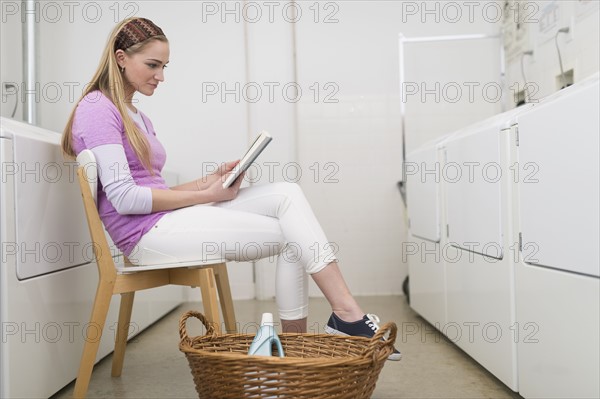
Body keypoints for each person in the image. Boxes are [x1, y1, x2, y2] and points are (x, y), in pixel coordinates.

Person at [61, 17, 400, 360]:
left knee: (286, 193)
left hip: (162, 221)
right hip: (144, 236)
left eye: (164, 66)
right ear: (121, 58)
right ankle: (313, 341)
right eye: (152, 65)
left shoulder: (137, 115)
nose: (161, 76)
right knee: (294, 236)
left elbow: (153, 188)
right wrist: (207, 196)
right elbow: (126, 199)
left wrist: (209, 181)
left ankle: (335, 323)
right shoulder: (96, 108)